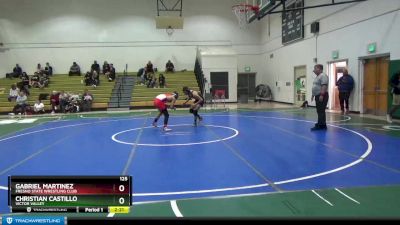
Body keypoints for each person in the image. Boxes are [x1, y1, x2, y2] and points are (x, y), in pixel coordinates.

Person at [310, 64, 329, 131]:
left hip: (322, 96)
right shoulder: (318, 76)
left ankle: (320, 125)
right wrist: (313, 95)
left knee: (321, 111)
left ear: (319, 69)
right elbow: (316, 86)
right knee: (319, 110)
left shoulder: (323, 76)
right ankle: (322, 124)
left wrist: (322, 95)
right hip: (317, 95)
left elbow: (324, 86)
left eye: (315, 68)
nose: (313, 70)